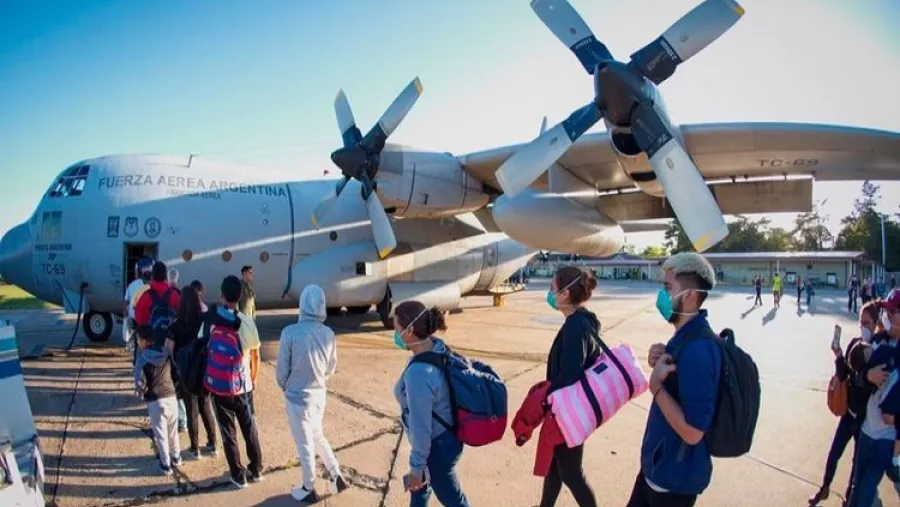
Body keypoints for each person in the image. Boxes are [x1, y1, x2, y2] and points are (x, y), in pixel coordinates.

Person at [628, 252, 722, 507]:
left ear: (690, 296)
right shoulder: (684, 338)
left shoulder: (699, 351)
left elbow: (693, 432)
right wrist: (661, 358)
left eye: (668, 288)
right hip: (656, 471)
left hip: (673, 485)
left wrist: (656, 387)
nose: (662, 295)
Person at [393, 300, 470, 507]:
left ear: (410, 331)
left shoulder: (419, 373)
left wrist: (417, 466)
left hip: (436, 448)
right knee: (419, 494)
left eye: (397, 329)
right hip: (445, 437)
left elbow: (421, 426)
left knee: (455, 502)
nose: (395, 335)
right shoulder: (435, 348)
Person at [277, 284, 349, 503]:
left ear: (302, 304)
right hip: (319, 395)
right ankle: (336, 474)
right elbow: (330, 367)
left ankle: (309, 487)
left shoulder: (290, 333)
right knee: (317, 435)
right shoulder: (328, 334)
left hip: (297, 398)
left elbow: (282, 370)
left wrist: (285, 385)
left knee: (304, 443)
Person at [808, 301, 882, 505]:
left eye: (867, 323)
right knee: (834, 453)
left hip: (864, 420)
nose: (863, 327)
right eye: (861, 322)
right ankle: (825, 487)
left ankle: (849, 498)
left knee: (856, 462)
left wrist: (861, 376)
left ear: (876, 324)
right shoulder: (855, 344)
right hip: (849, 412)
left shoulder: (877, 351)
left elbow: (869, 384)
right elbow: (844, 375)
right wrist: (839, 356)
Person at [539, 265, 600, 507]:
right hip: (567, 408)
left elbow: (571, 373)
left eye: (552, 288)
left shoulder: (576, 326)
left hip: (569, 410)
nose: (550, 293)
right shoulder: (580, 321)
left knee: (571, 472)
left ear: (565, 293)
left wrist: (545, 393)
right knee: (556, 467)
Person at [205, 275, 263, 489]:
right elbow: (255, 353)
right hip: (243, 385)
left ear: (222, 295)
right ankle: (256, 469)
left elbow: (206, 347)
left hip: (220, 387)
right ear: (240, 296)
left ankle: (238, 475)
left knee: (228, 432)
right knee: (249, 428)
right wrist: (253, 378)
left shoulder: (213, 321)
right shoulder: (246, 322)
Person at [847, 292, 900, 507]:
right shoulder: (879, 340)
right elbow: (855, 366)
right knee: (856, 488)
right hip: (866, 431)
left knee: (865, 494)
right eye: (886, 311)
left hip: (885, 440)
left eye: (892, 312)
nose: (887, 315)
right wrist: (867, 375)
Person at [166, 285, 217, 459]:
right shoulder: (204, 320)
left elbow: (169, 349)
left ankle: (195, 448)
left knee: (191, 410)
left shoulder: (175, 325)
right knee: (206, 407)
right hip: (203, 369)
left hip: (186, 372)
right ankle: (212, 443)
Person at [133, 333, 182, 475]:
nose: (138, 343)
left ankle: (166, 465)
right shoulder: (166, 353)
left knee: (161, 435)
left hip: (155, 401)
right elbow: (176, 374)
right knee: (173, 431)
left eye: (138, 340)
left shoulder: (142, 359)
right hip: (171, 397)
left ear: (144, 341)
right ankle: (176, 457)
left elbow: (139, 383)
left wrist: (144, 394)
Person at [134, 261, 181, 348]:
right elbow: (180, 317)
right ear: (166, 276)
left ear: (152, 276)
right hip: (169, 344)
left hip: (151, 344)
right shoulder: (175, 296)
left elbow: (139, 319)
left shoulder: (146, 297)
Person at [124, 257, 153, 364]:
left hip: (136, 318)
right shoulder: (151, 287)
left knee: (138, 340)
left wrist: (125, 316)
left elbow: (129, 303)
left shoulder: (133, 285)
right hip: (147, 318)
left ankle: (137, 360)